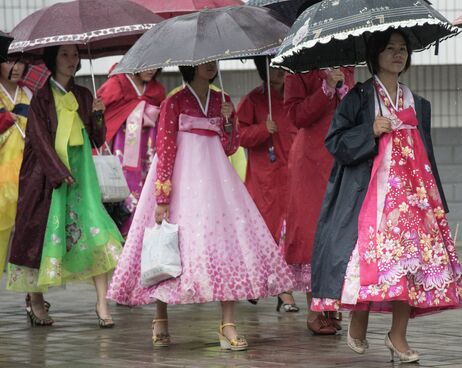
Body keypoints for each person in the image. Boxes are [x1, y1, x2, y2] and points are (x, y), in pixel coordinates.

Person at [106, 61, 295, 350]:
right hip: (182, 180)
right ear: (190, 66)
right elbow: (166, 147)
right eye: (204, 62)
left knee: (226, 245)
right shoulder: (175, 101)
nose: (211, 66)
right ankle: (160, 316)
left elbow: (231, 146)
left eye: (213, 62)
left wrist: (229, 122)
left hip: (217, 179)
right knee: (170, 246)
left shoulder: (223, 100)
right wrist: (163, 196)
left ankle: (228, 323)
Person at [310, 30, 462, 363]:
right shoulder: (358, 96)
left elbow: (426, 150)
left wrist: (435, 199)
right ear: (375, 54)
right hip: (371, 197)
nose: (398, 54)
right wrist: (368, 130)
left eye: (402, 49)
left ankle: (397, 336)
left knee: (408, 265)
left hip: (413, 197)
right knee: (371, 262)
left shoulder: (416, 102)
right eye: (389, 49)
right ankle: (360, 317)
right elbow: (335, 142)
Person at [6, 44, 123, 328]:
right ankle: (35, 298)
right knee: (41, 235)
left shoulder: (83, 95)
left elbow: (96, 139)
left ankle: (101, 302)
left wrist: (97, 115)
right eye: (65, 55)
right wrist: (58, 172)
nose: (72, 60)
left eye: (75, 55)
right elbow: (39, 139)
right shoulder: (41, 99)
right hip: (45, 178)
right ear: (52, 59)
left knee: (96, 232)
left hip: (82, 178)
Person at [282, 62, 355, 334]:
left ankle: (332, 303)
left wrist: (344, 90)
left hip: (343, 156)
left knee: (339, 231)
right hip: (311, 159)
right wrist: (325, 89)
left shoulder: (346, 67)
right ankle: (316, 307)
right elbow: (296, 116)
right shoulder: (297, 71)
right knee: (314, 232)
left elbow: (353, 112)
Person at [237, 57, 298, 312]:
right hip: (266, 180)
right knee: (267, 232)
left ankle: (282, 287)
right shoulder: (253, 100)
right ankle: (280, 291)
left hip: (292, 176)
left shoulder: (295, 99)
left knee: (290, 233)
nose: (278, 73)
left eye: (281, 67)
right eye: (272, 67)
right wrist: (263, 129)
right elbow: (239, 136)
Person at [97, 68, 166, 235]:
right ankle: (122, 228)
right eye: (146, 65)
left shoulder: (157, 90)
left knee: (148, 182)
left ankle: (145, 228)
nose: (152, 70)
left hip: (148, 146)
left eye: (155, 65)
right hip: (121, 145)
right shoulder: (116, 84)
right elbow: (101, 112)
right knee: (121, 183)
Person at [0, 57, 31, 277]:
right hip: (3, 169)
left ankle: (32, 293)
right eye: (9, 61)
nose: (16, 67)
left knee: (26, 228)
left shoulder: (28, 94)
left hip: (26, 169)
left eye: (20, 62)